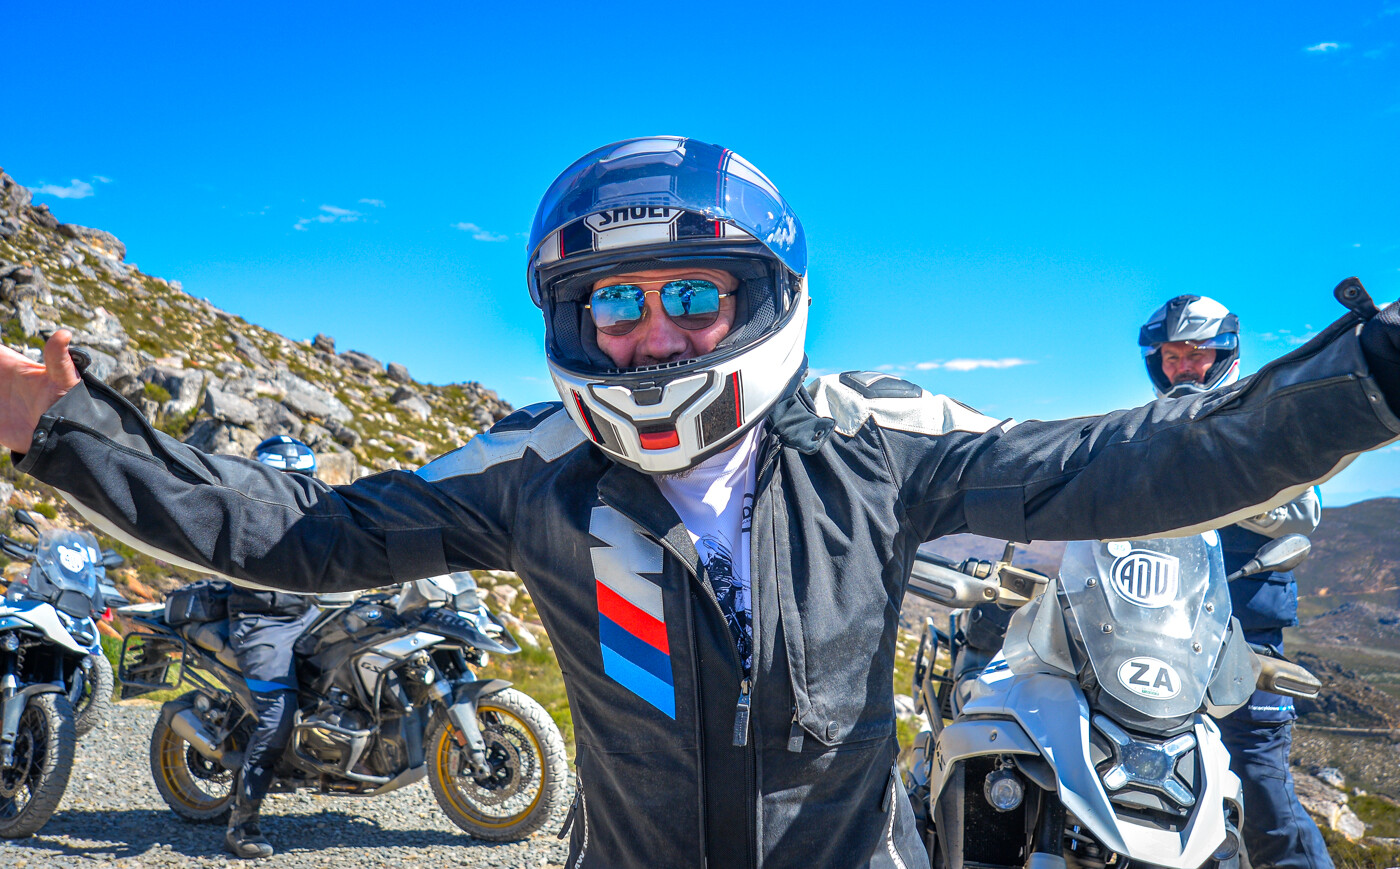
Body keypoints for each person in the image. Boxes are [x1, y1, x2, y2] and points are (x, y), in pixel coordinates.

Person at [4, 137, 1400, 868]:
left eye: (691, 293)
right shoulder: (533, 466)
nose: (652, 333)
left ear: (760, 299)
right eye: (614, 303)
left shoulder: (878, 440)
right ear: (573, 318)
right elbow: (298, 531)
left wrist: (1363, 379)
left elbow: (1130, 461)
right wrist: (62, 431)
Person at [1139, 296, 1332, 869]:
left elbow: (1305, 513)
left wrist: (1222, 482)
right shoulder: (1147, 429)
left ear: (1224, 354)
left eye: (1195, 354)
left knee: (1261, 790)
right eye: (1172, 356)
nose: (1183, 368)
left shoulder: (1264, 418)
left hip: (1245, 639)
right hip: (1156, 638)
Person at [223, 436, 320, 859]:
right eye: (283, 479)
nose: (292, 488)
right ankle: (242, 822)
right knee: (278, 714)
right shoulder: (241, 516)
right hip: (260, 621)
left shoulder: (315, 519)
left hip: (308, 615)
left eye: (300, 479)